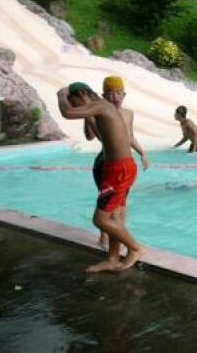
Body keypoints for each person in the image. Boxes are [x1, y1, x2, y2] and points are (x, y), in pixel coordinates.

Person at [57, 82, 144, 272]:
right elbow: (99, 137)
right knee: (113, 216)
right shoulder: (103, 109)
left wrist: (60, 95)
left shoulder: (102, 106)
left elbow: (67, 113)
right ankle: (112, 258)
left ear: (82, 94)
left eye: (74, 102)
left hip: (119, 171)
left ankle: (135, 248)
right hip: (115, 169)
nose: (76, 108)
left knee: (100, 220)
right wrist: (88, 118)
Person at [85, 76, 149, 249]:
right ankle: (104, 238)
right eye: (110, 93)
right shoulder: (100, 112)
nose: (115, 97)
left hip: (123, 164)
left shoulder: (129, 114)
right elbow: (91, 137)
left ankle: (117, 240)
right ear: (103, 95)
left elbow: (130, 137)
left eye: (119, 93)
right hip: (105, 163)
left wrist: (142, 152)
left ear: (124, 95)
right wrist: (88, 118)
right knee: (107, 205)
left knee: (120, 205)